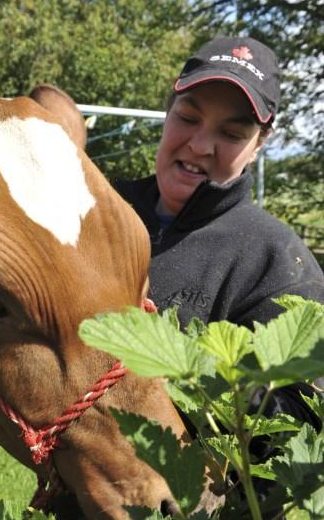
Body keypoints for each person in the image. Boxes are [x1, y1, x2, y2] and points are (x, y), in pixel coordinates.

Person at [114, 35, 324, 426]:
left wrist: (196, 374)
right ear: (167, 112)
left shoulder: (277, 261)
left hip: (187, 483)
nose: (200, 145)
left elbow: (304, 419)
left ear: (259, 144)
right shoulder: (102, 207)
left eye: (231, 134)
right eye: (188, 118)